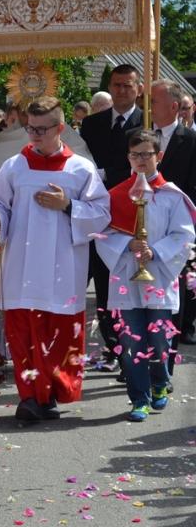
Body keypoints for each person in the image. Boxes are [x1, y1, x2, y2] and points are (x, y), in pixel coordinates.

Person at [0, 97, 110, 421]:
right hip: (22, 265)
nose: (35, 135)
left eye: (42, 129)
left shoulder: (80, 168)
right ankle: (31, 397)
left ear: (60, 128)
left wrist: (68, 205)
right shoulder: (15, 166)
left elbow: (101, 213)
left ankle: (48, 393)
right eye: (31, 128)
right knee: (23, 333)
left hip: (61, 267)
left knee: (57, 334)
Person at [96, 130, 195, 420]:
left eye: (146, 154)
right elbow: (103, 234)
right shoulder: (117, 195)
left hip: (160, 276)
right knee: (131, 340)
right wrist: (127, 244)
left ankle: (160, 381)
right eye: (135, 155)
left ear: (158, 156)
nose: (140, 160)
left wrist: (157, 251)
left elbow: (184, 234)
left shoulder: (171, 196)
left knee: (160, 337)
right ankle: (139, 398)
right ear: (128, 157)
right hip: (127, 275)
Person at [81, 64, 143, 371]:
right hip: (93, 212)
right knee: (98, 281)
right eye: (117, 85)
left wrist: (107, 174)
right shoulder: (92, 124)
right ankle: (112, 344)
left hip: (128, 214)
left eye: (127, 85)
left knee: (122, 286)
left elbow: (142, 167)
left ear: (138, 89)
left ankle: (127, 348)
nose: (121, 90)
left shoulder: (145, 122)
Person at [150, 80, 196, 355]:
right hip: (145, 226)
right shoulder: (141, 136)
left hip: (177, 228)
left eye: (154, 101)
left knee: (175, 288)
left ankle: (168, 352)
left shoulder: (191, 140)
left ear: (174, 106)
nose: (149, 106)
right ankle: (142, 352)